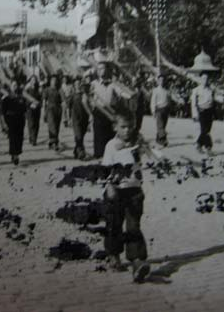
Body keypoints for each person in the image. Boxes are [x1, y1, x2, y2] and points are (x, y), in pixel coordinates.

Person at [101, 109, 150, 283]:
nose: (127, 130)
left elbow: (150, 156)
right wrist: (109, 186)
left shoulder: (137, 143)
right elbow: (106, 169)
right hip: (116, 191)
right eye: (123, 127)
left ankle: (137, 261)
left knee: (133, 226)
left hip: (134, 191)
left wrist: (143, 145)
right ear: (115, 127)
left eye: (130, 127)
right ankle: (113, 254)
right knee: (114, 224)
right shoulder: (110, 146)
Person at [90, 62, 119, 158]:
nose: (101, 70)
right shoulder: (93, 84)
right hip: (99, 111)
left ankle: (110, 155)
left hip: (110, 110)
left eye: (103, 68)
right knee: (99, 134)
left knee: (110, 133)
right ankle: (99, 155)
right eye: (99, 69)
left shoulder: (112, 84)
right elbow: (90, 98)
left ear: (106, 70)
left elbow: (119, 96)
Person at [1, 79, 27, 165]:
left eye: (16, 85)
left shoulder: (21, 97)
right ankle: (15, 155)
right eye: (13, 85)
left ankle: (16, 153)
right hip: (10, 119)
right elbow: (2, 111)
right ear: (10, 87)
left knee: (19, 138)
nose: (15, 87)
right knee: (12, 138)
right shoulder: (6, 98)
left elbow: (24, 109)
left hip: (20, 120)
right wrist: (4, 123)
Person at [191, 73, 215, 155]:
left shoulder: (210, 90)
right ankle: (208, 147)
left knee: (207, 130)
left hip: (209, 111)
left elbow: (212, 101)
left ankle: (199, 144)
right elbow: (193, 103)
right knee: (204, 130)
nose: (205, 80)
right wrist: (195, 114)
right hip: (201, 111)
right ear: (200, 79)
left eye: (207, 78)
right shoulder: (196, 90)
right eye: (204, 78)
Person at [70, 76, 92, 160]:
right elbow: (68, 107)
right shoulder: (72, 95)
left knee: (82, 135)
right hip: (75, 117)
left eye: (79, 84)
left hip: (84, 117)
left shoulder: (84, 94)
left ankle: (76, 150)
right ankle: (81, 153)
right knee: (78, 135)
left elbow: (88, 105)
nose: (78, 85)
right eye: (76, 84)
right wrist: (67, 118)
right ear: (74, 85)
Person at [43, 75, 63, 151]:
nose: (54, 82)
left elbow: (63, 100)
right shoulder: (47, 89)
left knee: (57, 127)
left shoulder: (59, 90)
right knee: (52, 126)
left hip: (58, 109)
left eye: (55, 80)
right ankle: (54, 143)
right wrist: (44, 111)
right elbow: (44, 101)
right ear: (50, 81)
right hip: (50, 109)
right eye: (52, 80)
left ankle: (52, 142)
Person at [150, 74, 171, 147]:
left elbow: (168, 100)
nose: (162, 81)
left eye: (163, 80)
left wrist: (169, 108)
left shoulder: (166, 91)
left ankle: (158, 139)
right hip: (158, 109)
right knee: (160, 125)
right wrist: (153, 111)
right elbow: (153, 101)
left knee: (163, 125)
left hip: (165, 109)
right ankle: (163, 140)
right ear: (158, 81)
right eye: (160, 80)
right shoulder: (155, 90)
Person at [24, 75, 42, 146]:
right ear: (30, 81)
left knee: (36, 124)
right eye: (32, 80)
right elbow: (25, 98)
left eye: (35, 80)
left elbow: (41, 98)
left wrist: (38, 104)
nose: (33, 81)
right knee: (31, 124)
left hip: (37, 108)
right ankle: (32, 139)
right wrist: (30, 104)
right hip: (29, 108)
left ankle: (34, 138)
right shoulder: (27, 89)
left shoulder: (38, 89)